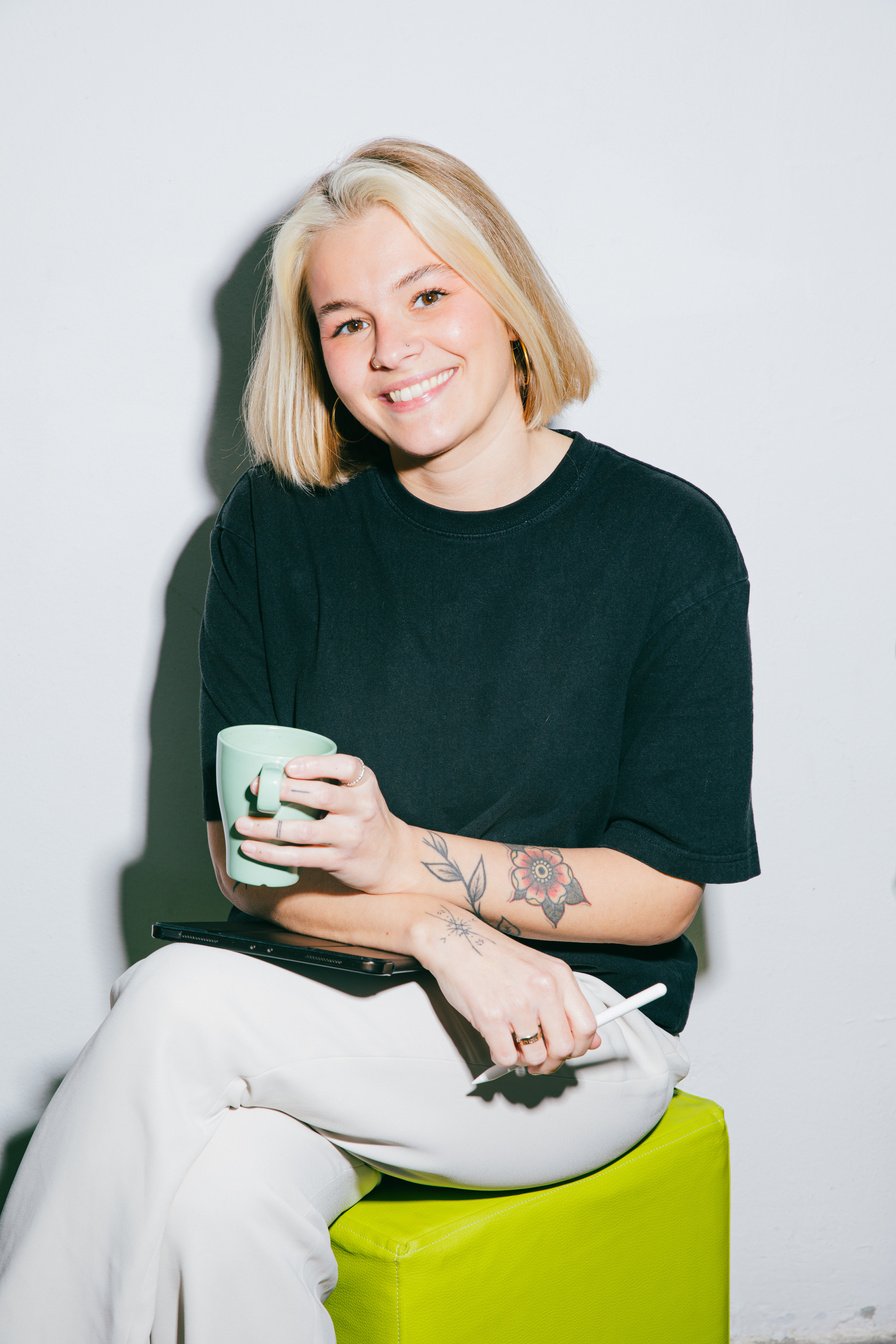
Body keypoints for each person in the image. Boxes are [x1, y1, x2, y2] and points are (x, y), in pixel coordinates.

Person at [0, 138, 759, 1343]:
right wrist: (432, 924)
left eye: (425, 294)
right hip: (327, 1003)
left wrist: (408, 859)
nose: (392, 350)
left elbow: (660, 894)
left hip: (571, 1034)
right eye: (344, 323)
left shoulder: (662, 541)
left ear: (503, 301)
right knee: (223, 1206)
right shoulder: (278, 527)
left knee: (177, 999)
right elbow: (251, 868)